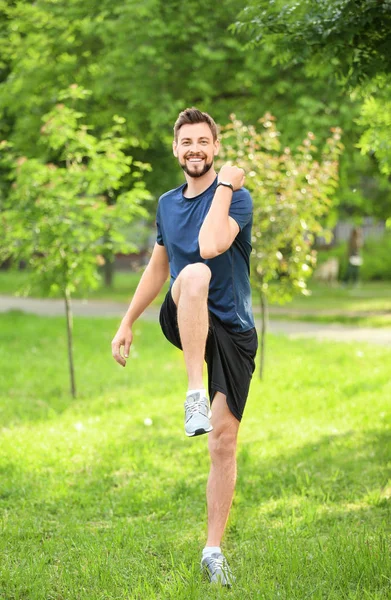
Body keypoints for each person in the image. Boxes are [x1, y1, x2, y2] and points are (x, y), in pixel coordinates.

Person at [111, 107, 258, 587]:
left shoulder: (236, 198)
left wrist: (224, 187)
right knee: (192, 273)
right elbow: (160, 267)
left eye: (203, 141)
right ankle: (194, 391)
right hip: (185, 312)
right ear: (175, 149)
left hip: (231, 329)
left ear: (214, 147)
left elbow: (213, 242)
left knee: (223, 440)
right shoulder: (167, 204)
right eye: (186, 141)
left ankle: (212, 551)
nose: (194, 149)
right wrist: (127, 320)